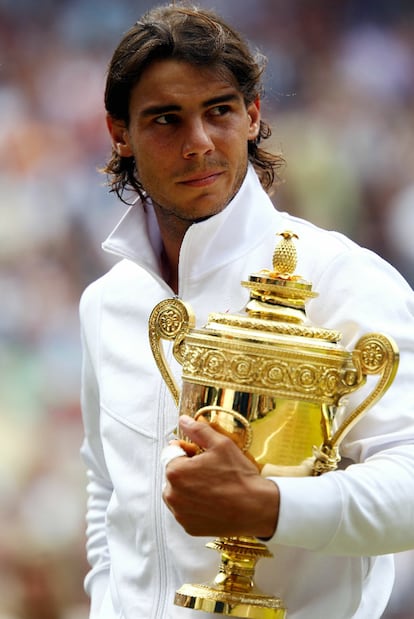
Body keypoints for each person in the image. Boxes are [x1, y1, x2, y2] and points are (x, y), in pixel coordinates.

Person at [79, 3, 414, 618]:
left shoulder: (343, 280)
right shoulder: (107, 304)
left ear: (253, 115)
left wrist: (267, 506)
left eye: (219, 111)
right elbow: (109, 494)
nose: (198, 142)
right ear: (119, 133)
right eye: (165, 119)